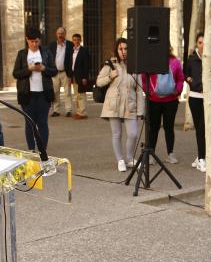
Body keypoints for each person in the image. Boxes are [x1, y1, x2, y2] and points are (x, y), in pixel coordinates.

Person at [97, 38, 144, 172]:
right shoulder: (110, 64)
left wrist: (141, 110)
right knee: (116, 134)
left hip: (130, 103)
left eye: (126, 49)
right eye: (120, 49)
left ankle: (129, 158)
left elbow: (140, 90)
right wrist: (110, 76)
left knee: (133, 134)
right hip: (114, 103)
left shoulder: (135, 65)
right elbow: (99, 82)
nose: (123, 52)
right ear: (116, 50)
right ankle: (120, 160)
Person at [184, 31, 211, 172]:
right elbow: (186, 74)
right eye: (200, 43)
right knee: (199, 129)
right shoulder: (191, 58)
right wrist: (191, 81)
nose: (202, 46)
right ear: (197, 44)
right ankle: (201, 157)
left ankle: (203, 158)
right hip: (195, 98)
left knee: (206, 128)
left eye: (205, 43)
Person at [13, 27, 58, 151]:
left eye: (37, 41)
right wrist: (29, 69)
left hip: (44, 94)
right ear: (27, 40)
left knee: (42, 123)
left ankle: (42, 149)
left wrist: (44, 69)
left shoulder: (46, 52)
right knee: (30, 123)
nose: (34, 44)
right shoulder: (22, 54)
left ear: (40, 41)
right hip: (27, 94)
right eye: (32, 41)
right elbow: (16, 73)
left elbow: (54, 71)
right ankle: (31, 150)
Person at [142, 45, 185, 164]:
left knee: (169, 127)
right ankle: (151, 154)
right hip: (154, 101)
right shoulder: (150, 62)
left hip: (170, 101)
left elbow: (181, 78)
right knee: (153, 128)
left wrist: (177, 90)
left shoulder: (175, 62)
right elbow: (144, 77)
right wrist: (148, 91)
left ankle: (170, 153)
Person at [50, 27, 74, 117]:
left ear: (65, 34)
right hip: (55, 73)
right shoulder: (52, 45)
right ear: (56, 34)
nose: (60, 35)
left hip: (65, 72)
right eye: (59, 33)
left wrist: (71, 74)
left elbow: (73, 59)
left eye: (62, 33)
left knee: (67, 92)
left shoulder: (70, 45)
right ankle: (56, 110)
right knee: (55, 92)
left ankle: (68, 110)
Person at [70, 33, 91, 119]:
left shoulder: (84, 51)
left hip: (81, 76)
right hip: (74, 75)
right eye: (74, 40)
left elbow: (87, 65)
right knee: (77, 95)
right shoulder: (72, 50)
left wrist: (85, 77)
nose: (76, 42)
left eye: (78, 40)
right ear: (72, 41)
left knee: (81, 95)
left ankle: (82, 113)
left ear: (80, 40)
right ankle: (79, 111)